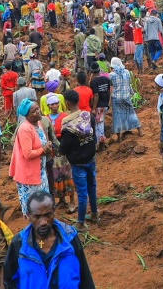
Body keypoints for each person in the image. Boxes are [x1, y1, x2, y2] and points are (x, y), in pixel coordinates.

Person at [3, 190, 96, 289]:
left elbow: (85, 277)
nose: (43, 222)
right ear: (28, 216)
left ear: (54, 211)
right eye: (37, 216)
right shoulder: (18, 244)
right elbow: (9, 281)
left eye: (48, 215)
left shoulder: (70, 239)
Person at [58, 90, 98, 230]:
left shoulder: (67, 122)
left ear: (67, 103)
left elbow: (64, 147)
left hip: (78, 163)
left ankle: (80, 222)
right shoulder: (88, 115)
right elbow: (94, 135)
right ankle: (94, 214)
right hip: (91, 158)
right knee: (92, 187)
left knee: (81, 192)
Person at [9, 100, 52, 217]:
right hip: (29, 175)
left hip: (39, 172)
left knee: (42, 204)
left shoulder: (39, 124)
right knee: (34, 208)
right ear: (27, 115)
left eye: (38, 109)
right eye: (34, 111)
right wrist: (44, 150)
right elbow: (27, 153)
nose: (38, 112)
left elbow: (42, 142)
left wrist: (47, 145)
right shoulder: (25, 129)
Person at [109, 58, 142, 142]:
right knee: (131, 113)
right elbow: (129, 84)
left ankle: (119, 138)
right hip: (126, 96)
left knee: (117, 117)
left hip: (116, 98)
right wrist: (132, 93)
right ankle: (140, 132)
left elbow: (111, 88)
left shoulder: (111, 75)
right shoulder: (127, 72)